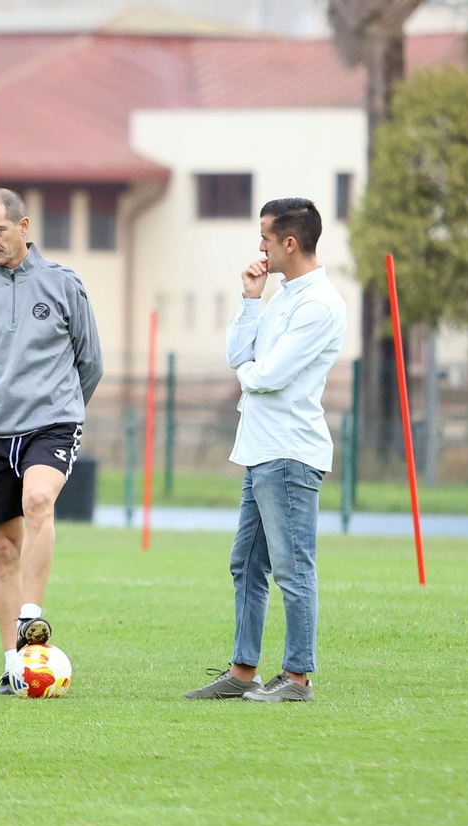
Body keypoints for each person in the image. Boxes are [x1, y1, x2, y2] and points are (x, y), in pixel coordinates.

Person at [185, 198, 346, 703]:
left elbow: (269, 376)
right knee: (246, 565)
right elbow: (242, 355)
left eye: (266, 238)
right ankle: (242, 671)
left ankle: (297, 679)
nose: (260, 247)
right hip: (260, 450)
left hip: (291, 452)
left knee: (293, 568)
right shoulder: (279, 296)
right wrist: (250, 297)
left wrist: (250, 374)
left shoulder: (319, 304)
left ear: (289, 243)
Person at [0, 188, 103, 695]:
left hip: (52, 424)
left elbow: (90, 362)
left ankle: (31, 619)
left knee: (39, 500)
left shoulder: (64, 285)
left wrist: (61, 409)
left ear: (24, 226)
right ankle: (13, 664)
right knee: (1, 549)